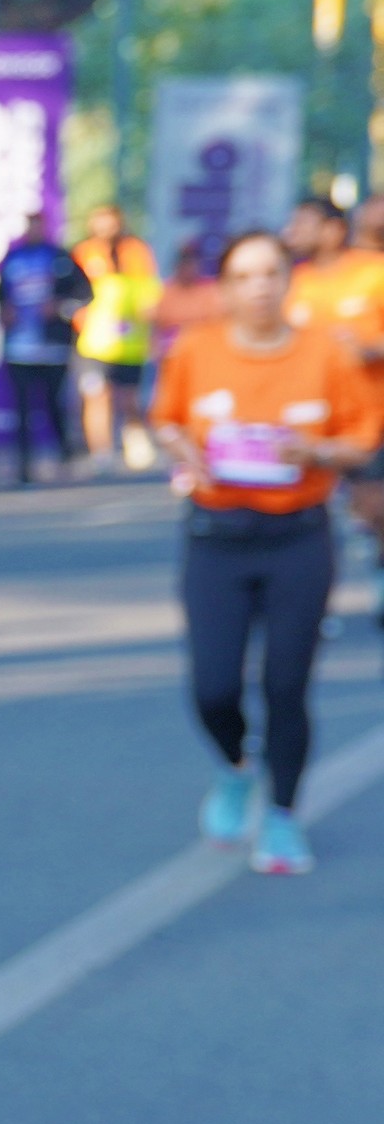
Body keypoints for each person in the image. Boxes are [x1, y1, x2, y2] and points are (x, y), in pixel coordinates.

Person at [152, 230, 381, 875]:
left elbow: (361, 439)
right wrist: (184, 450)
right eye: (244, 276)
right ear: (224, 288)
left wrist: (315, 452)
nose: (259, 287)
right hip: (216, 537)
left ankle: (282, 817)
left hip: (297, 538)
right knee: (213, 688)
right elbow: (167, 420)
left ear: (289, 281)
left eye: (271, 273)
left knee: (286, 685)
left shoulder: (325, 353)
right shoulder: (196, 349)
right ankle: (235, 768)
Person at [290, 194, 384, 593]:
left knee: (372, 506)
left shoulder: (373, 273)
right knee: (312, 511)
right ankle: (311, 599)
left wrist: (370, 348)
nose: (293, 232)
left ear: (333, 230)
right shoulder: (294, 283)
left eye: (303, 224)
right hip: (310, 420)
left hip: (368, 416)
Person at [0, 212, 93, 484]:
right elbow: (0, 294)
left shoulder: (59, 258)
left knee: (53, 404)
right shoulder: (13, 258)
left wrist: (60, 308)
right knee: (22, 410)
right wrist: (4, 311)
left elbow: (85, 294)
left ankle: (65, 452)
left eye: (38, 225)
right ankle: (24, 466)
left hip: (53, 349)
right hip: (19, 348)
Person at [70, 204, 161, 470]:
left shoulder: (136, 251)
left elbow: (149, 291)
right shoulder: (84, 252)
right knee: (97, 394)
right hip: (93, 342)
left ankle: (135, 441)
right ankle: (101, 451)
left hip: (130, 342)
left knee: (129, 397)